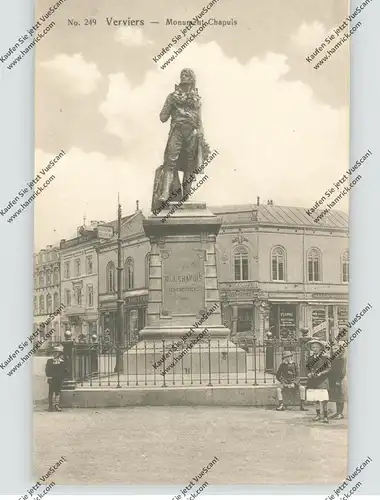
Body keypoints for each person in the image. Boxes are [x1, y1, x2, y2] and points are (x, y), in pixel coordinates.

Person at [152, 68, 210, 211]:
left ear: (192, 79)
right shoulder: (172, 97)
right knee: (170, 162)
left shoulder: (197, 99)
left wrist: (202, 137)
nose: (184, 76)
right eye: (182, 75)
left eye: (187, 75)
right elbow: (162, 117)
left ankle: (186, 196)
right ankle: (165, 194)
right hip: (177, 131)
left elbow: (199, 120)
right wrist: (171, 106)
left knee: (190, 165)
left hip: (192, 133)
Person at [306, 339, 331, 423]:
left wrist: (321, 373)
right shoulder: (310, 358)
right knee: (316, 398)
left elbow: (329, 369)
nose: (315, 349)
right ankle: (317, 415)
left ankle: (325, 416)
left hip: (322, 380)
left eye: (317, 347)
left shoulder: (325, 358)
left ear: (320, 348)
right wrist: (309, 373)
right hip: (313, 380)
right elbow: (307, 368)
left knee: (324, 399)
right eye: (313, 347)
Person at [328, 339, 347, 419]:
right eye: (333, 349)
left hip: (338, 379)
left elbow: (342, 371)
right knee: (336, 395)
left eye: (336, 349)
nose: (334, 350)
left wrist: (339, 380)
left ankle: (340, 413)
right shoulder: (333, 358)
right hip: (333, 378)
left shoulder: (341, 358)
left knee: (340, 396)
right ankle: (337, 412)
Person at [45, 345, 66, 412]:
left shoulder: (62, 362)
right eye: (54, 353)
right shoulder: (50, 361)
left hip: (58, 379)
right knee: (51, 392)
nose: (56, 354)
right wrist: (49, 376)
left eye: (57, 353)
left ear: (60, 354)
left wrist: (62, 377)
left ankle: (56, 405)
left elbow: (64, 370)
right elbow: (47, 370)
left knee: (57, 392)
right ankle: (50, 406)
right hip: (52, 379)